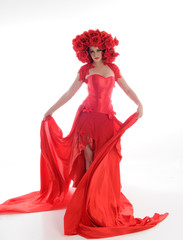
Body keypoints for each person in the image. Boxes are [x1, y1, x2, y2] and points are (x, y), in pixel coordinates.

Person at [0, 29, 168, 239]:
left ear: (105, 50)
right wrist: (51, 110)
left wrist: (139, 103)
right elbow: (69, 93)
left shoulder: (113, 69)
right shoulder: (84, 70)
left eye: (98, 50)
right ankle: (88, 200)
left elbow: (127, 89)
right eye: (91, 51)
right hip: (86, 119)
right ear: (86, 52)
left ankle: (99, 196)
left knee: (104, 159)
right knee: (88, 158)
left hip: (105, 121)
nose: (95, 54)